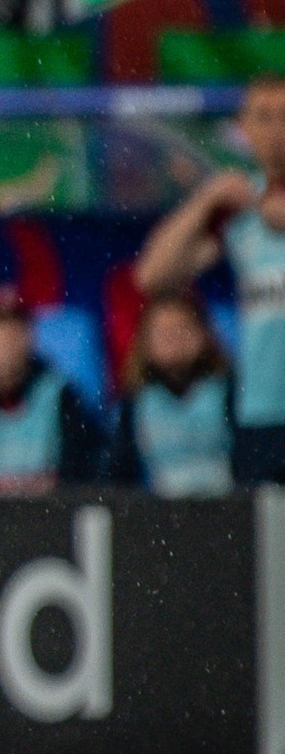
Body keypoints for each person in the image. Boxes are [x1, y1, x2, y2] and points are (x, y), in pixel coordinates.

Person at [136, 76, 285, 483]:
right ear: (245, 129)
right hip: (264, 413)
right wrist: (206, 198)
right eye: (264, 118)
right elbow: (153, 275)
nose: (277, 131)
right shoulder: (239, 210)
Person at [0, 286, 104, 494]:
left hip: (48, 518)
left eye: (15, 328)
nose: (6, 339)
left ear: (30, 336)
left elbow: (81, 468)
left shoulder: (61, 396)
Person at [107, 291, 235, 497]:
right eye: (163, 333)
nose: (173, 340)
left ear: (203, 334)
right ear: (145, 341)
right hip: (162, 514)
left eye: (181, 329)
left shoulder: (228, 390)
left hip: (228, 507)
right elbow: (119, 472)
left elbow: (251, 461)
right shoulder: (136, 400)